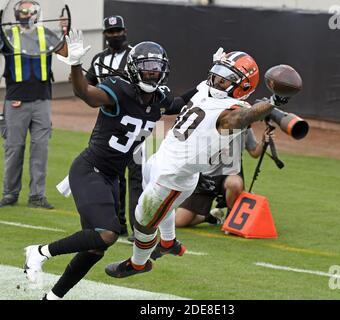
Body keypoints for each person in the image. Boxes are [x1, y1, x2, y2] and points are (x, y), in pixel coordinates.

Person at [23, 29, 194, 300]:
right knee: (108, 234)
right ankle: (40, 251)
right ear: (134, 70)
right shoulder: (119, 90)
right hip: (90, 169)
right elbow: (86, 94)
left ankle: (53, 298)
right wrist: (76, 64)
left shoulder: (158, 99)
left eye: (156, 68)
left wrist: (210, 84)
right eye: (146, 68)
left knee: (95, 248)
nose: (151, 73)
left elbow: (179, 103)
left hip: (111, 177)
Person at [105, 48, 289, 278]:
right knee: (153, 192)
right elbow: (206, 85)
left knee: (143, 219)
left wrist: (273, 102)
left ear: (241, 87)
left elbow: (243, 117)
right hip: (163, 158)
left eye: (225, 79)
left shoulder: (233, 111)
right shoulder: (208, 90)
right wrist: (219, 67)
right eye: (218, 73)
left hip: (175, 176)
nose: (216, 80)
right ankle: (169, 242)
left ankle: (138, 263)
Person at [0, 0, 67, 209]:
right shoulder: (8, 33)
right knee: (14, 148)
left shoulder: (45, 33)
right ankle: (10, 194)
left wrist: (65, 31)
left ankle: (37, 196)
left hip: (42, 100)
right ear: (16, 12)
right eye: (22, 9)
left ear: (36, 13)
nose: (25, 12)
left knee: (41, 150)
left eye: (29, 9)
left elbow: (64, 53)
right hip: (16, 99)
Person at [85, 15, 136, 238]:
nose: (116, 35)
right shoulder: (98, 60)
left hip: (135, 123)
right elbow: (88, 87)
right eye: (111, 32)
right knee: (111, 175)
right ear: (105, 34)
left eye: (119, 31)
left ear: (125, 31)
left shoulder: (135, 54)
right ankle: (117, 222)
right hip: (109, 124)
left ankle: (138, 228)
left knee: (137, 176)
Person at [175, 127, 275, 228]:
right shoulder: (208, 123)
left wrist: (263, 141)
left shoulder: (244, 125)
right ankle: (212, 217)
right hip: (205, 177)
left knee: (234, 183)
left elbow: (254, 152)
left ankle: (232, 218)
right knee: (179, 221)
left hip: (230, 175)